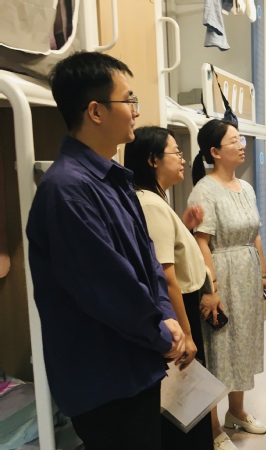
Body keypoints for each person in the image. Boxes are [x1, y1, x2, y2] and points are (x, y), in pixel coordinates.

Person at [26, 51, 185, 450]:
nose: (136, 111)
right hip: (104, 379)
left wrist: (166, 314)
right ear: (96, 111)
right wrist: (161, 332)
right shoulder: (66, 190)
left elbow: (147, 259)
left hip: (137, 363)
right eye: (129, 100)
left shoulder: (113, 179)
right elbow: (107, 286)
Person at [124, 126, 215, 449]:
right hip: (178, 308)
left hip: (181, 306)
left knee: (190, 400)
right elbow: (166, 276)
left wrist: (184, 226)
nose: (183, 159)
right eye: (176, 152)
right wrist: (186, 334)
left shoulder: (156, 200)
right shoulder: (149, 203)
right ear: (152, 160)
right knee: (185, 402)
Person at [188, 119, 266, 450]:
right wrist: (212, 289)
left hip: (247, 274)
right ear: (215, 152)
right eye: (234, 141)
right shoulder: (204, 190)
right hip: (222, 274)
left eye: (241, 140)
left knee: (243, 345)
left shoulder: (245, 187)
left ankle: (237, 412)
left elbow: (255, 234)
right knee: (219, 350)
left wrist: (263, 274)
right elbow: (201, 242)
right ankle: (212, 428)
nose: (241, 145)